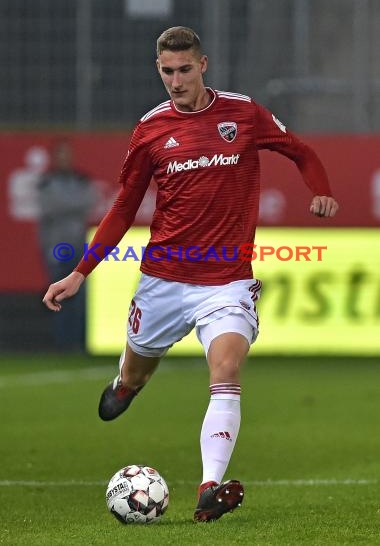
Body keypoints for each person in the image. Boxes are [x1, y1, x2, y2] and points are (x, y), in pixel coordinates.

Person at [43, 27, 339, 521]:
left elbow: (301, 152)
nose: (176, 81)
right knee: (135, 373)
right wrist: (80, 272)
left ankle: (209, 487)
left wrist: (321, 190)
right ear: (158, 70)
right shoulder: (151, 130)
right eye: (167, 72)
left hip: (226, 281)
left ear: (203, 65)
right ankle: (127, 384)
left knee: (226, 371)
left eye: (184, 70)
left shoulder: (243, 113)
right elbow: (122, 209)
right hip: (163, 281)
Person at [38, 139, 96, 351]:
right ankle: (62, 344)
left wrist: (64, 204)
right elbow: (49, 207)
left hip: (78, 247)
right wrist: (73, 205)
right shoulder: (46, 182)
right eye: (60, 154)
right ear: (55, 158)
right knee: (56, 296)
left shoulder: (81, 180)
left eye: (67, 154)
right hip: (55, 247)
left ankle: (78, 344)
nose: (64, 159)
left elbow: (90, 201)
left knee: (80, 298)